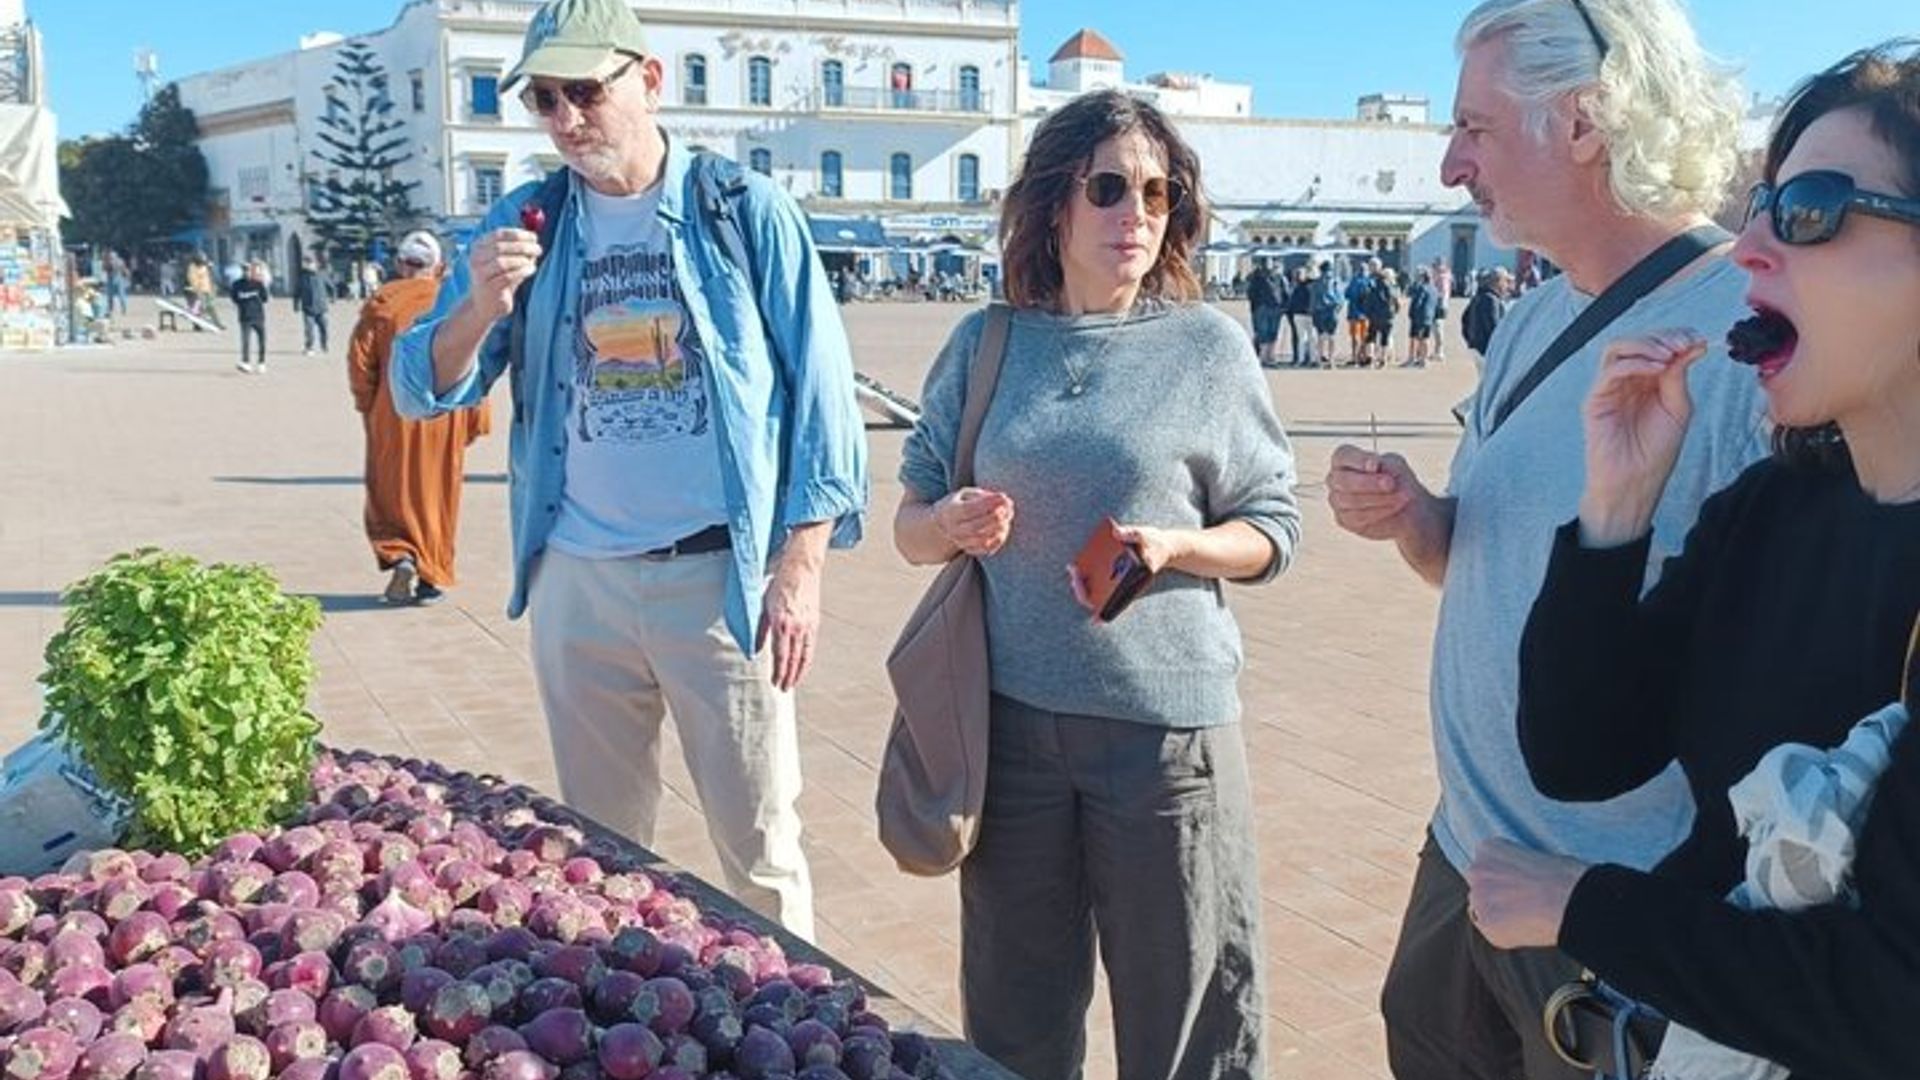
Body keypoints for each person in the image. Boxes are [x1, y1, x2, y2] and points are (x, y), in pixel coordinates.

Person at [1323, 1, 1769, 1076]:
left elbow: (1781, 676)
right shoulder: (1531, 318)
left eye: (1474, 128)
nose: (1447, 165)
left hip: (1607, 912)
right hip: (1464, 860)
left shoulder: (1747, 349)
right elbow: (1482, 568)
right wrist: (1421, 520)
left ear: (1584, 121)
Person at [1467, 43, 1920, 1079]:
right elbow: (1582, 755)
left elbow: (1894, 995)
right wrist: (1615, 512)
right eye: (1760, 204)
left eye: (1809, 208)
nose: (1752, 248)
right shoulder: (1775, 506)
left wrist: (1582, 906)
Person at [388, 0, 867, 939]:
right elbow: (419, 388)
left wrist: (801, 567)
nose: (566, 120)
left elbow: (824, 396)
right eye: (542, 100)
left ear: (647, 81)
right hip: (579, 583)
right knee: (601, 855)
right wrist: (479, 306)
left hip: (719, 585)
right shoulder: (526, 221)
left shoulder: (742, 210)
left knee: (760, 857)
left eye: (584, 93)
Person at [894, 89, 1300, 1080]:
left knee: (1186, 1023)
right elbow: (909, 526)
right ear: (1055, 206)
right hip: (1013, 734)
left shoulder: (1207, 348)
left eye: (1158, 193)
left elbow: (1274, 530)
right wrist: (947, 525)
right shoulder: (989, 342)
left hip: (1166, 742)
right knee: (1014, 1017)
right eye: (1111, 188)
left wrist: (1175, 547)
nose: (1138, 214)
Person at [348, 231, 491, 606]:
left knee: (388, 489)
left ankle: (401, 554)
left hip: (391, 411)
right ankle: (430, 576)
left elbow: (361, 364)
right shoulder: (454, 302)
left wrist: (369, 405)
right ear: (438, 267)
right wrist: (476, 417)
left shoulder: (381, 304)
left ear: (399, 265)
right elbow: (477, 359)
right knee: (438, 495)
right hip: (446, 411)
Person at [1462, 266, 1514, 359]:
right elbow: (1494, 327)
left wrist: (1470, 340)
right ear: (1498, 282)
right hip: (1486, 349)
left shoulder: (1479, 296)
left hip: (1478, 347)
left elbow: (1465, 319)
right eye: (1506, 281)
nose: (1507, 286)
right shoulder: (1491, 300)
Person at [230, 261, 270, 373]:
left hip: (258, 316)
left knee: (262, 341)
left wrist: (263, 285)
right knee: (245, 341)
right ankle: (246, 362)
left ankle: (261, 362)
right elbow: (234, 298)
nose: (246, 272)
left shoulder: (258, 284)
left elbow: (265, 298)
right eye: (244, 270)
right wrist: (244, 304)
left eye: (248, 270)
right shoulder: (236, 284)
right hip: (244, 317)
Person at [1244, 260, 1284, 365]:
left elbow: (1250, 294)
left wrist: (1255, 306)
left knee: (1262, 333)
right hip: (1275, 308)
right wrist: (1283, 307)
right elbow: (1285, 292)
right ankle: (1271, 356)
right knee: (1273, 333)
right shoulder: (1278, 278)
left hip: (1261, 308)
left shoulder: (1256, 278)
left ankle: (1262, 357)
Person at [1402, 267, 1440, 368]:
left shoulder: (1421, 288)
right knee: (1425, 338)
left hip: (1419, 317)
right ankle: (1423, 359)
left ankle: (1412, 358)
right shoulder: (1434, 289)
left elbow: (1418, 303)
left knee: (1415, 338)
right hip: (1429, 317)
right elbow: (1437, 304)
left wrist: (1411, 313)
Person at [297, 256, 334, 356]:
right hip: (307, 307)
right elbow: (297, 291)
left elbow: (331, 287)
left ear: (315, 264)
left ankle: (324, 345)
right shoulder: (302, 277)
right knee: (309, 329)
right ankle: (309, 347)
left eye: (310, 263)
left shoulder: (322, 275)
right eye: (306, 263)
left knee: (324, 328)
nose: (308, 265)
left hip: (321, 308)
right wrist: (296, 304)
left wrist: (333, 298)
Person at [1365, 266, 1402, 366]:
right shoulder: (1393, 287)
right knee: (1385, 338)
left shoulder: (1373, 286)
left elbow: (1368, 301)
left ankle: (1370, 356)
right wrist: (1395, 312)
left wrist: (1368, 313)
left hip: (1374, 315)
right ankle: (1383, 358)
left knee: (1371, 337)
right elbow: (1398, 302)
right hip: (1388, 315)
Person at [1309, 259, 1342, 366]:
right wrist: (1337, 308)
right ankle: (1331, 360)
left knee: (1321, 336)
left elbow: (1313, 298)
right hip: (1332, 310)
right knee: (1332, 336)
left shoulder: (1316, 282)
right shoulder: (1335, 281)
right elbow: (1340, 297)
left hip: (1319, 311)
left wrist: (1312, 311)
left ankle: (1319, 359)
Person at [1344, 259, 1376, 365]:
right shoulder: (1370, 281)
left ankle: (1355, 357)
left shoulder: (1354, 280)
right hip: (1366, 313)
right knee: (1364, 337)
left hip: (1353, 313)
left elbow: (1347, 294)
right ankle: (1364, 356)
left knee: (1355, 337)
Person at [1282, 265, 1313, 366]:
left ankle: (1308, 358)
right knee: (1301, 337)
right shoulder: (1292, 285)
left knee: (1309, 337)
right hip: (1297, 314)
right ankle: (1300, 358)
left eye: (1300, 273)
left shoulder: (1309, 284)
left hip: (1305, 313)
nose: (1298, 276)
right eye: (1297, 274)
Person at [104, 251, 129, 317]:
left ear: (115, 257)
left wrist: (126, 278)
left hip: (117, 279)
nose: (111, 258)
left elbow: (124, 270)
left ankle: (123, 309)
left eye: (112, 257)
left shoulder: (119, 261)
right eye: (110, 257)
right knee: (110, 296)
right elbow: (105, 269)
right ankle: (111, 309)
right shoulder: (108, 262)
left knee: (120, 295)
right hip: (112, 279)